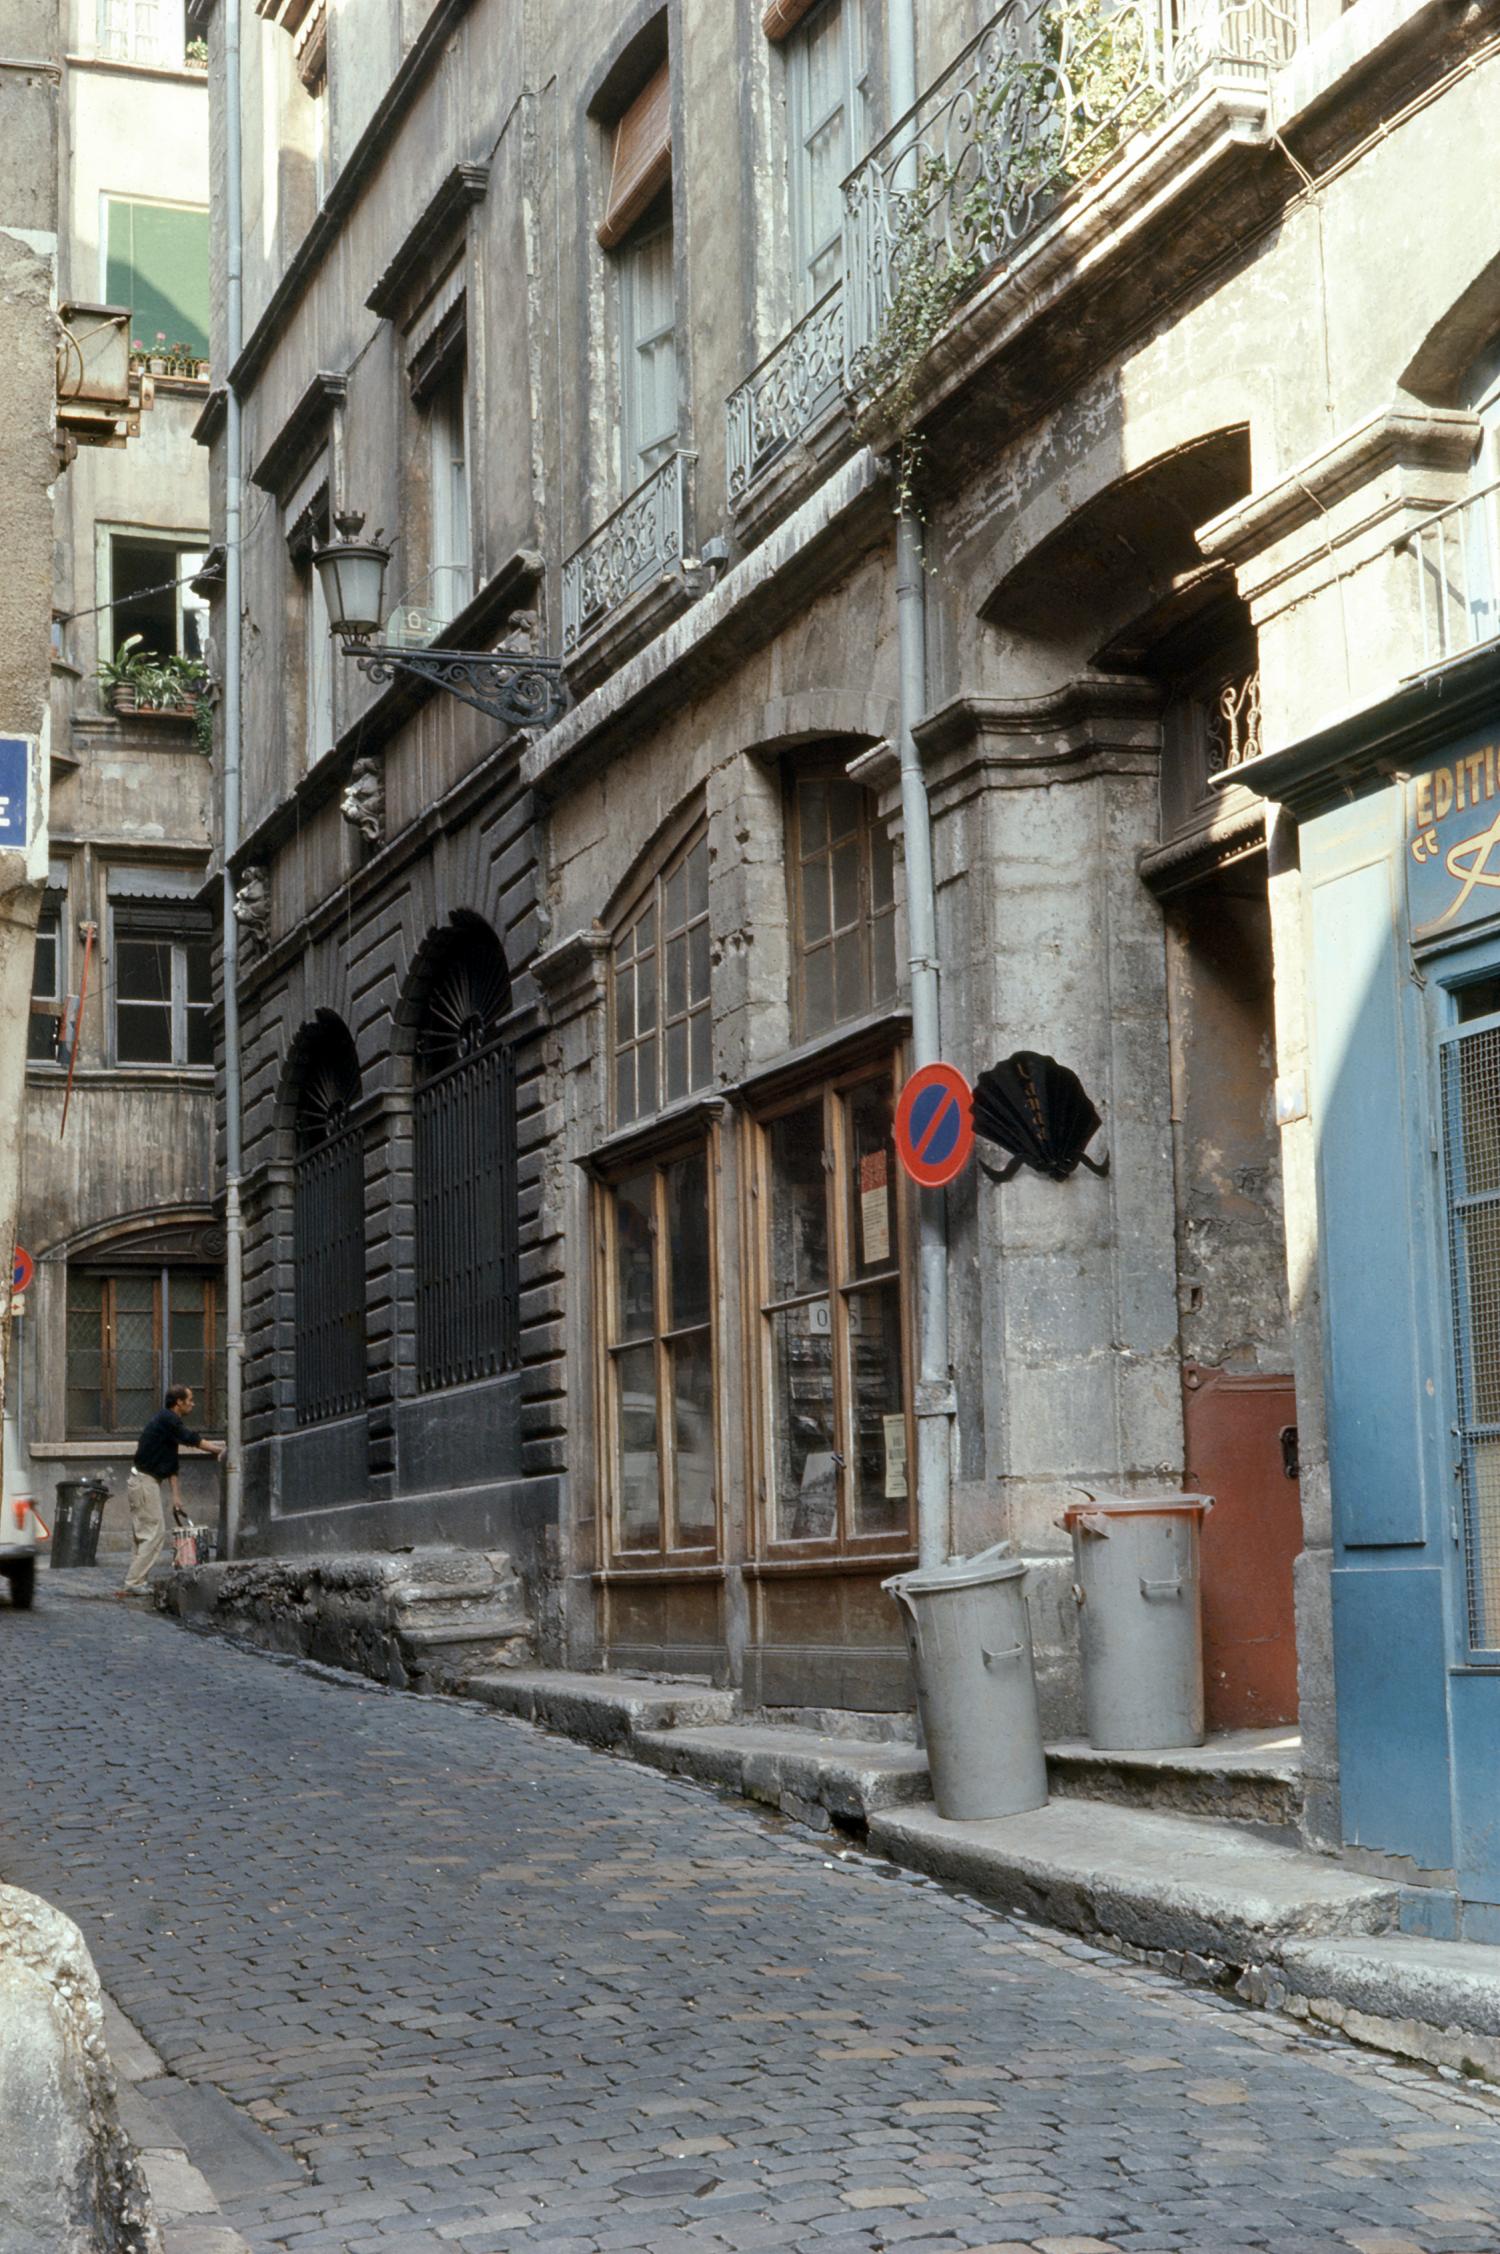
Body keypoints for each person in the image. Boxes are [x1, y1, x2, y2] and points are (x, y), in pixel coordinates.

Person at [120, 1384, 225, 1598]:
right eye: (190, 1399)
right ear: (179, 1402)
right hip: (143, 1482)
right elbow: (192, 1439)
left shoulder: (166, 1422)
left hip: (145, 1481)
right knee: (153, 1533)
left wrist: (176, 1496)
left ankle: (137, 1579)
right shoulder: (169, 1420)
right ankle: (134, 1582)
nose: (193, 1404)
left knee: (144, 1534)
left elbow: (171, 1463)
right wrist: (221, 1450)